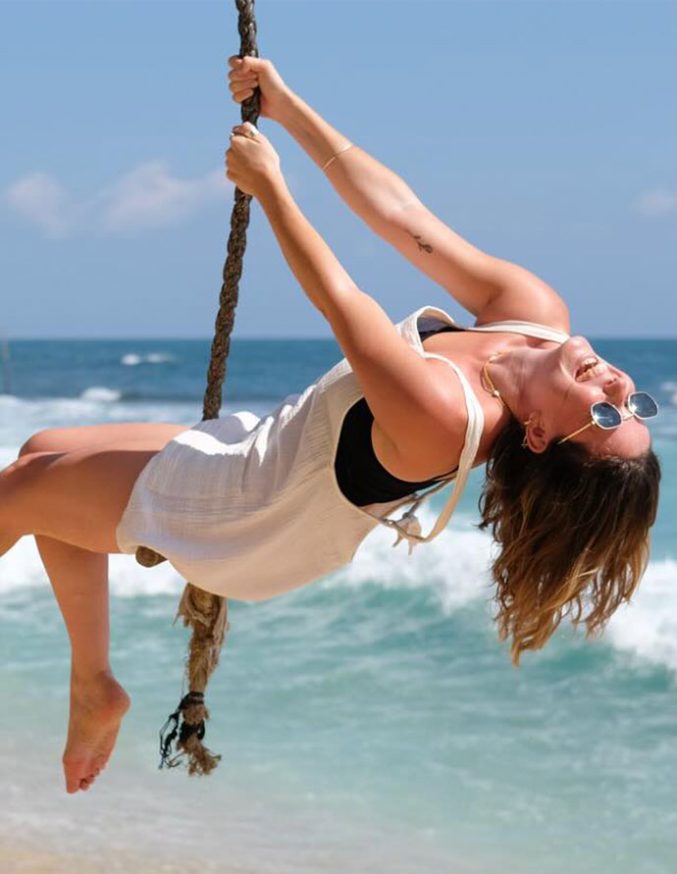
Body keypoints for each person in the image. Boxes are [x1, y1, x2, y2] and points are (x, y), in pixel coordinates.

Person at [0, 57, 660, 795]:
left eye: (606, 415)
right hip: (265, 449)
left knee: (16, 493)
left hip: (252, 520)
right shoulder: (535, 316)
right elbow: (402, 217)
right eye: (636, 405)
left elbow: (346, 308)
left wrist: (271, 188)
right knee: (43, 455)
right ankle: (94, 687)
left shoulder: (446, 419)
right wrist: (285, 107)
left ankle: (93, 687)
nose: (620, 387)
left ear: (537, 435)